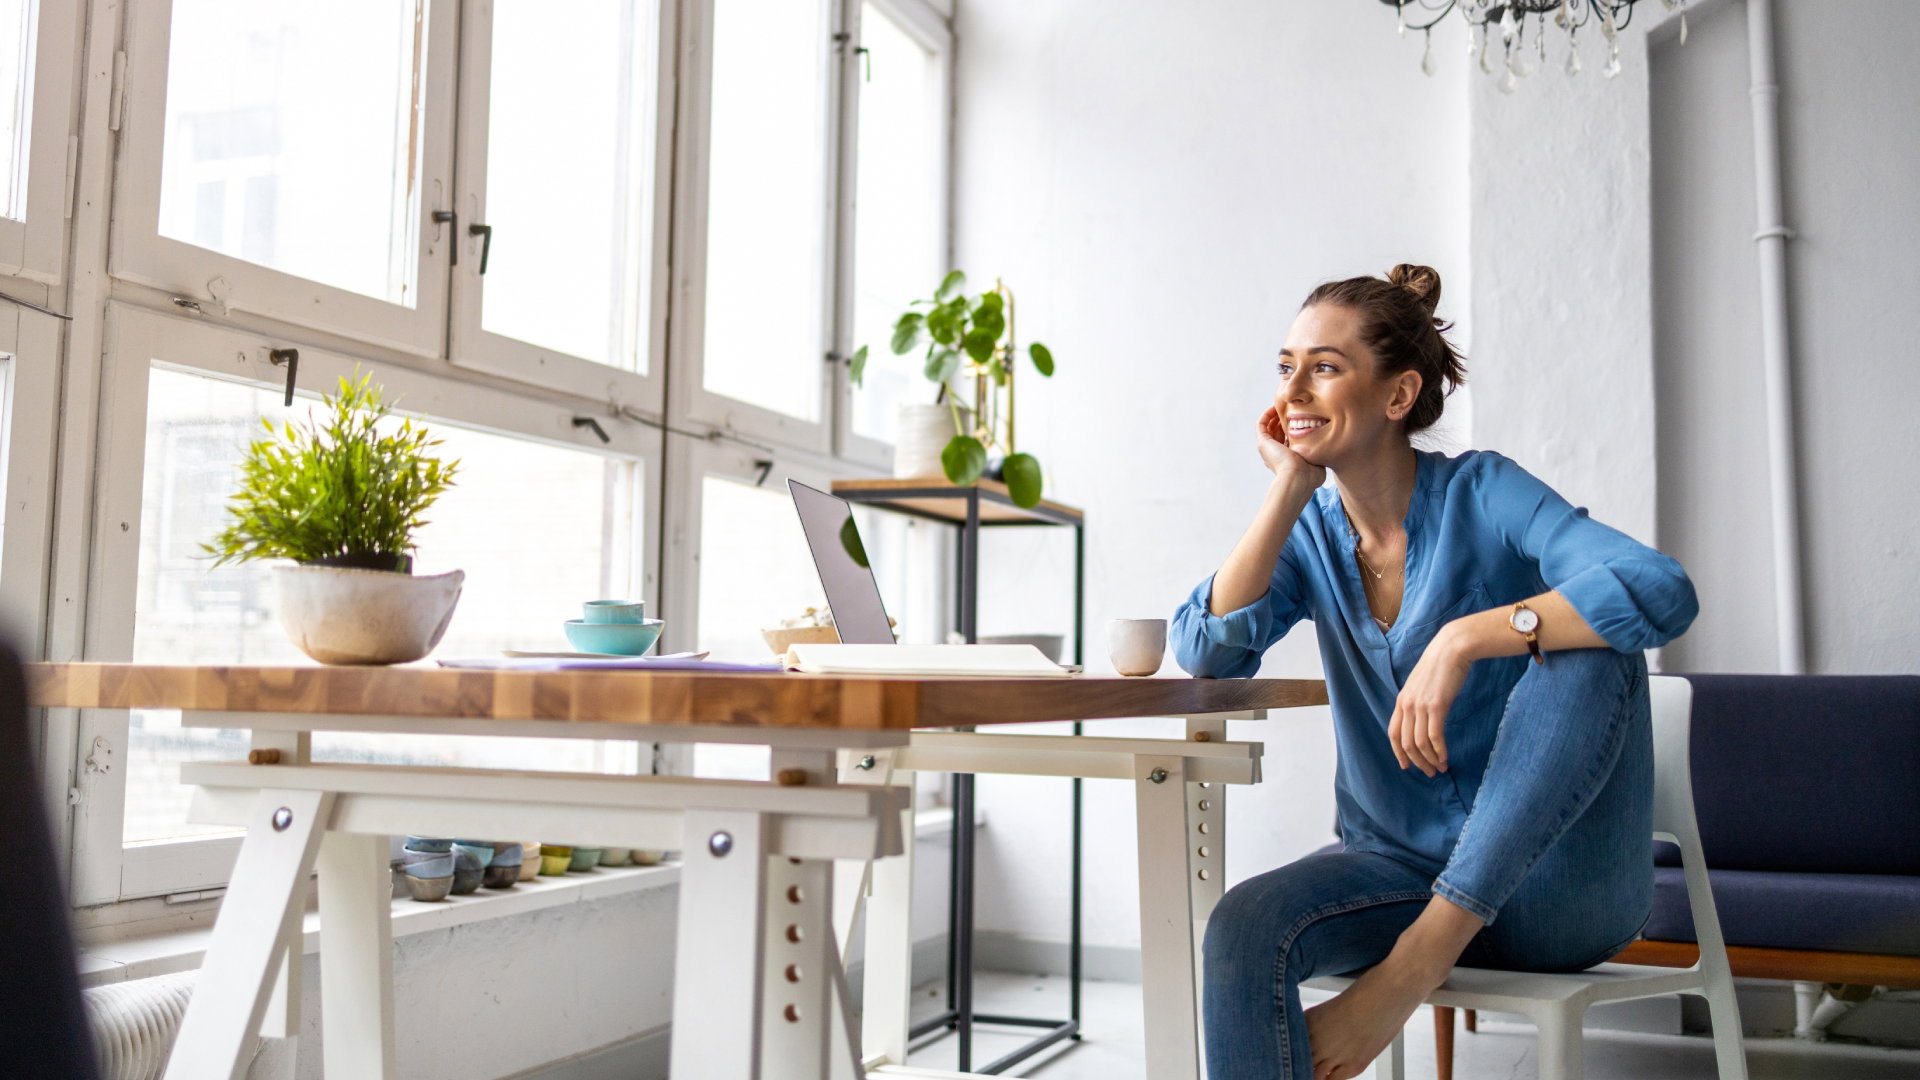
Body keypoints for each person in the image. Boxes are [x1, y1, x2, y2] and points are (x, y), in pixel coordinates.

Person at [1170, 264, 1697, 1080]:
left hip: (1554, 891)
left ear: (1396, 395)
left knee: (1594, 649)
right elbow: (1205, 650)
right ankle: (1421, 945)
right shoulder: (1309, 531)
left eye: (1325, 366)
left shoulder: (1483, 492)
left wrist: (1466, 638)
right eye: (1286, 367)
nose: (1295, 389)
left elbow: (1661, 589)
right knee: (1242, 927)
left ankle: (1413, 971)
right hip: (1396, 869)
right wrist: (1287, 489)